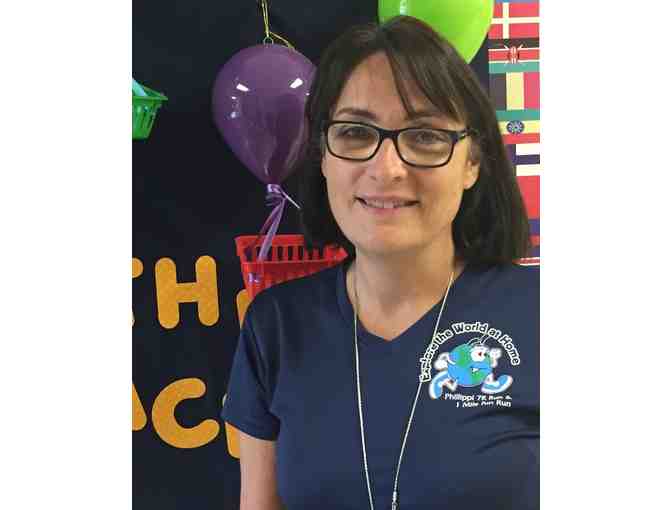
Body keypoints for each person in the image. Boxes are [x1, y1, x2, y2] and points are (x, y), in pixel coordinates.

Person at [222, 15, 539, 510]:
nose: (386, 168)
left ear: (473, 162)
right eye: (354, 132)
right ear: (323, 155)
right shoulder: (276, 326)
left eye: (425, 135)